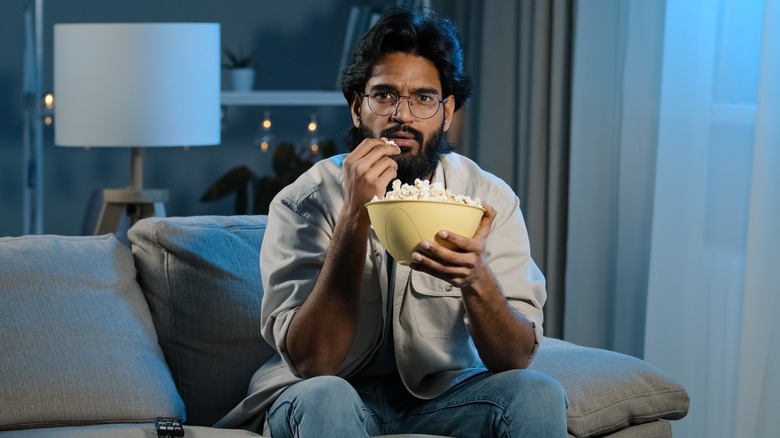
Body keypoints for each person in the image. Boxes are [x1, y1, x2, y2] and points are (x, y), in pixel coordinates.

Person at [218, 7, 568, 437]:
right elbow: (315, 363)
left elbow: (515, 359)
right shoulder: (303, 202)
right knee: (328, 395)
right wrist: (353, 216)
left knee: (538, 393)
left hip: (441, 396)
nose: (402, 115)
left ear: (446, 110)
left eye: (423, 98)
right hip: (321, 392)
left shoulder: (488, 198)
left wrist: (477, 279)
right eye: (384, 95)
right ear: (356, 108)